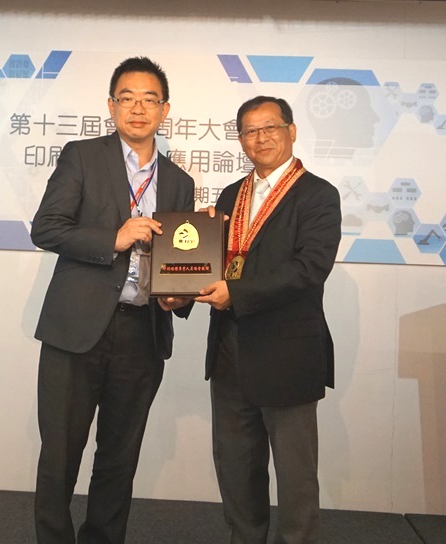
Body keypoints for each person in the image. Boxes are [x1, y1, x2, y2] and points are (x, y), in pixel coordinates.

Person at [30, 57, 196, 544]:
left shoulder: (179, 182)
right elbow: (46, 228)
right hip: (77, 330)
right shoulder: (82, 156)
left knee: (119, 459)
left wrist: (178, 298)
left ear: (165, 110)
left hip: (143, 332)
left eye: (149, 99)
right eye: (127, 98)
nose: (138, 108)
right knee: (60, 455)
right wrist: (114, 238)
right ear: (111, 105)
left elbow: (182, 259)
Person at [196, 95, 342, 544]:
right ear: (240, 139)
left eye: (270, 128)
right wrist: (182, 283)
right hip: (229, 352)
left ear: (291, 131)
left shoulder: (318, 195)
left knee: (295, 478)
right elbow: (215, 263)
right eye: (250, 131)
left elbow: (309, 269)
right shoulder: (230, 195)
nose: (260, 139)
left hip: (287, 356)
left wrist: (236, 293)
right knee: (236, 470)